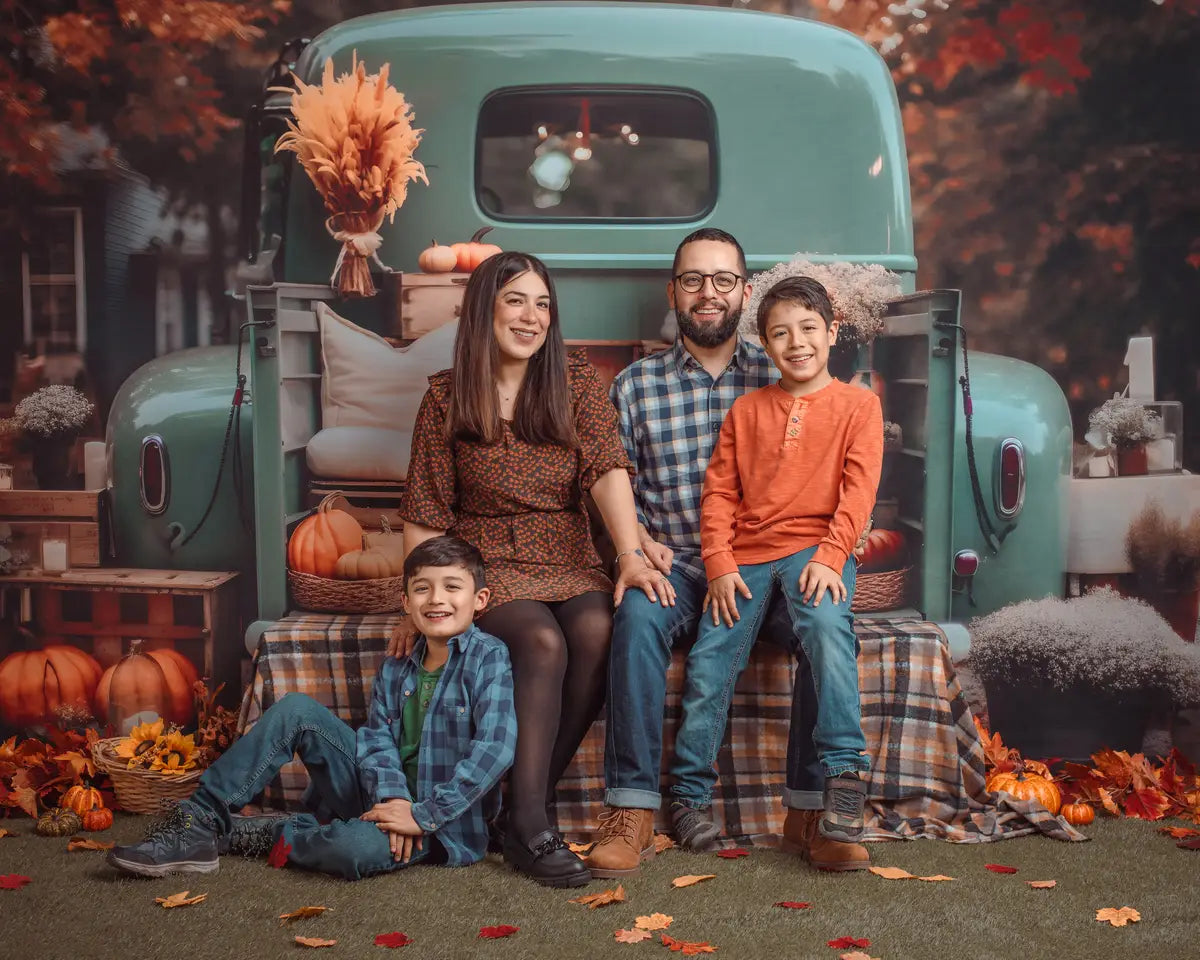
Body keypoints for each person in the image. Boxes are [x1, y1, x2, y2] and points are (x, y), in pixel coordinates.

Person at [586, 229, 870, 878]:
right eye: (693, 280)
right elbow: (606, 484)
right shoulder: (634, 387)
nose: (707, 293)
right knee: (634, 623)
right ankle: (631, 809)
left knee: (823, 628)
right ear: (673, 293)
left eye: (722, 280)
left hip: (770, 566)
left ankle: (812, 811)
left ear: (745, 291)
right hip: (677, 567)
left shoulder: (784, 372)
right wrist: (634, 545)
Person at [396, 251, 673, 888]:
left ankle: (520, 810)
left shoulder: (575, 381)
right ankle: (531, 822)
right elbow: (426, 510)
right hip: (485, 559)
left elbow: (607, 470)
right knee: (541, 641)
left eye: (543, 303)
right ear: (483, 310)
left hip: (569, 552)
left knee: (600, 630)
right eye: (516, 300)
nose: (532, 316)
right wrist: (416, 607)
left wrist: (629, 554)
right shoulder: (445, 396)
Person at [107, 535, 517, 880]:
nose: (436, 599)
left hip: (440, 826)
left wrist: (421, 816)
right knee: (297, 710)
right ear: (406, 602)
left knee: (351, 849)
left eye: (451, 587)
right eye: (423, 588)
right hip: (377, 797)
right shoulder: (399, 661)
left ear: (479, 599)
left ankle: (259, 834)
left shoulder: (488, 658)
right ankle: (198, 821)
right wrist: (394, 802)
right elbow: (376, 741)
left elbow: (494, 750)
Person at [698, 274, 883, 866]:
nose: (796, 342)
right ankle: (686, 795)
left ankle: (845, 780)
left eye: (808, 329)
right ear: (765, 345)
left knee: (829, 631)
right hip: (748, 556)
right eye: (780, 333)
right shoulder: (747, 410)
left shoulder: (860, 404)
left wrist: (832, 556)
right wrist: (720, 563)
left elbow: (859, 490)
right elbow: (720, 493)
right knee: (710, 655)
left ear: (832, 332)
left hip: (816, 550)